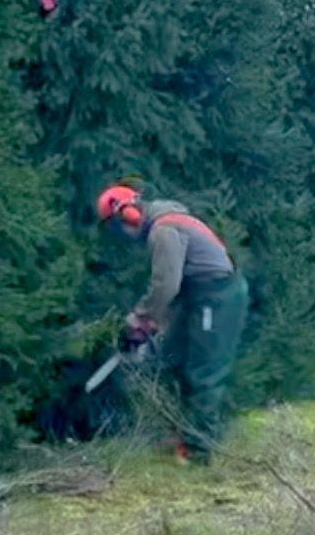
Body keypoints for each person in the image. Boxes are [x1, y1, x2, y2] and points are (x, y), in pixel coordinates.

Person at [96, 183, 248, 463]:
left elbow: (166, 284)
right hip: (196, 296)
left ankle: (199, 452)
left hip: (216, 296)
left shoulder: (164, 230)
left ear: (128, 213)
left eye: (119, 226)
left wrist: (141, 318)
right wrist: (156, 322)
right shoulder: (167, 225)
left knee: (204, 372)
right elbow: (176, 288)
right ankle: (185, 433)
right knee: (172, 359)